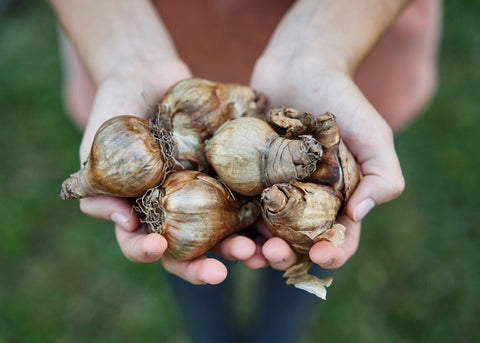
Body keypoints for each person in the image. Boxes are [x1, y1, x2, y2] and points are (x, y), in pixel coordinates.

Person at [49, 0, 441, 341]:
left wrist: (316, 49)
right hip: (125, 36)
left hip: (359, 46)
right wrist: (127, 55)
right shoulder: (191, 144)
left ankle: (273, 336)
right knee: (189, 261)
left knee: (297, 256)